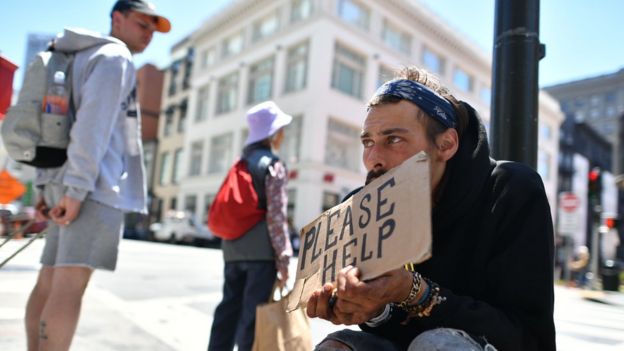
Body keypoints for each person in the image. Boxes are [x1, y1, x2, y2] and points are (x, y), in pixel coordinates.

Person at [307, 67, 556, 351]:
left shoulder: (512, 191)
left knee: (436, 345)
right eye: (368, 142)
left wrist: (417, 292)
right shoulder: (370, 206)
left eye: (394, 139)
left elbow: (528, 338)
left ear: (446, 144)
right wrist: (372, 309)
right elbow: (398, 330)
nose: (373, 159)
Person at [25, 1, 170, 350]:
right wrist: (75, 190)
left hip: (66, 181)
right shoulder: (115, 57)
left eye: (153, 29)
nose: (148, 35)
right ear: (117, 19)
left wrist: (46, 186)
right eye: (142, 25)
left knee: (49, 281)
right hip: (91, 187)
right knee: (69, 286)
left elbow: (51, 127)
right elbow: (93, 126)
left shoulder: (74, 58)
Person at [208, 101, 294, 351]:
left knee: (227, 311)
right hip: (261, 255)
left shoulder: (241, 162)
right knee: (252, 319)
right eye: (281, 129)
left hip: (232, 250)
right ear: (273, 132)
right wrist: (284, 259)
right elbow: (276, 218)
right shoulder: (273, 165)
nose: (283, 134)